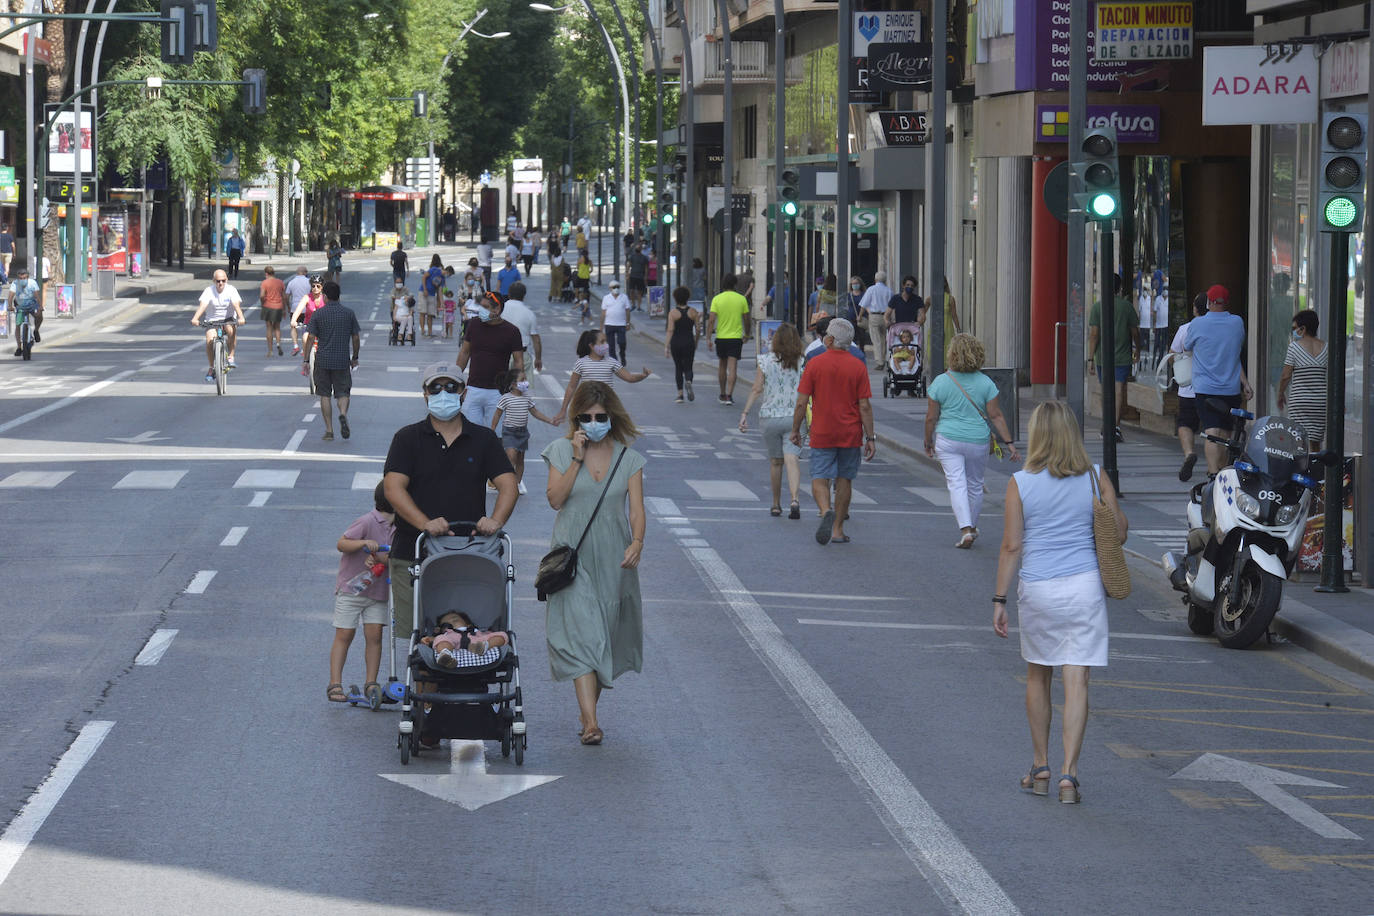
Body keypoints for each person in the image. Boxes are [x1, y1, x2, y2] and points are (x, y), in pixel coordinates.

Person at [993, 401, 1127, 805]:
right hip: (1085, 587)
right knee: (1077, 679)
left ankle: (1040, 765)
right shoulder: (1095, 478)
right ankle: (1069, 773)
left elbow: (1012, 545)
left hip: (1039, 589)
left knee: (1038, 676)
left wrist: (999, 599)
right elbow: (1118, 533)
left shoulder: (1020, 482)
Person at [541, 381, 646, 746]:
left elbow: (636, 509)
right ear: (576, 418)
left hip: (614, 557)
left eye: (600, 417)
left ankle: (587, 713)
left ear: (611, 417)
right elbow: (555, 499)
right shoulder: (559, 450)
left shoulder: (627, 457)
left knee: (604, 636)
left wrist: (637, 542)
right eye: (585, 417)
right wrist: (576, 458)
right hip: (572, 556)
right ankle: (590, 722)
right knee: (585, 633)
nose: (593, 422)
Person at [383, 362, 518, 636]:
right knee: (420, 644)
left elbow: (508, 485)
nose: (442, 393)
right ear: (425, 394)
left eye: (450, 387)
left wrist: (495, 521)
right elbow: (393, 488)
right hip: (414, 553)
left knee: (473, 632)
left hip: (469, 556)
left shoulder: (484, 439)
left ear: (463, 393)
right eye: (435, 387)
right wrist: (425, 523)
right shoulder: (407, 438)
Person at [924, 333, 1021, 548]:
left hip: (948, 438)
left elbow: (931, 417)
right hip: (977, 439)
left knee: (956, 483)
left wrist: (927, 440)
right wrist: (1010, 443)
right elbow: (996, 415)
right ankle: (972, 526)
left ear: (952, 354)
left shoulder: (941, 381)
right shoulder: (985, 382)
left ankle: (966, 529)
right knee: (975, 485)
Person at [790, 319, 874, 545]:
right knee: (845, 478)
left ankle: (826, 509)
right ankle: (837, 529)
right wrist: (871, 437)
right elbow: (864, 405)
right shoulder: (858, 366)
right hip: (850, 433)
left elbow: (801, 403)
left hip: (822, 431)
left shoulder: (815, 364)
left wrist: (796, 430)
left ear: (829, 340)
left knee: (819, 476)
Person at [328, 482, 396, 705]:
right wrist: (363, 543)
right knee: (344, 634)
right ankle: (335, 682)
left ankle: (371, 682)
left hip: (378, 591)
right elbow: (342, 543)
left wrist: (378, 558)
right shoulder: (368, 521)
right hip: (352, 589)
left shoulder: (400, 528)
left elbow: (394, 557)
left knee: (374, 635)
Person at [1183, 284, 1253, 475]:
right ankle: (1221, 471)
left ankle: (1213, 473)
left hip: (1205, 388)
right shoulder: (1237, 322)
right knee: (1227, 433)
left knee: (1212, 432)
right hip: (1230, 389)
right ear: (1227, 302)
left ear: (1209, 302)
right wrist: (1245, 383)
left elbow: (1187, 346)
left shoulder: (1198, 324)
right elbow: (1235, 354)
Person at [740, 322, 806, 519]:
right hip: (795, 416)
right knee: (792, 458)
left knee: (776, 463)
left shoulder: (765, 361)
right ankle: (795, 499)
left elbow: (757, 389)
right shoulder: (803, 362)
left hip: (770, 417)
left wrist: (745, 413)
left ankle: (776, 504)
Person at [456, 290, 525, 426]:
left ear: (497, 309)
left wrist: (517, 388)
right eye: (480, 306)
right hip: (473, 390)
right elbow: (464, 352)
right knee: (470, 434)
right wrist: (456, 380)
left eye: (485, 307)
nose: (481, 310)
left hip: (498, 393)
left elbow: (518, 361)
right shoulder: (473, 325)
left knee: (494, 436)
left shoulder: (512, 331)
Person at [554, 329, 651, 423]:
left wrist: (642, 376)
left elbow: (629, 378)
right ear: (592, 346)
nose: (606, 345)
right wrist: (563, 410)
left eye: (606, 342)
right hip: (587, 405)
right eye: (602, 342)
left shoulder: (611, 362)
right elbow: (571, 387)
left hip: (607, 405)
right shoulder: (581, 363)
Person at [1087, 274, 1139, 444]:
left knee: (1105, 391)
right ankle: (1115, 426)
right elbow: (1135, 332)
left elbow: (1094, 335)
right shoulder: (1127, 307)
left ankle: (1106, 424)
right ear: (1119, 288)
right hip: (1123, 356)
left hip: (1102, 357)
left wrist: (1090, 359)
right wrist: (1137, 349)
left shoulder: (1097, 307)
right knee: (1118, 391)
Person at [306, 281, 361, 441]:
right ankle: (342, 414)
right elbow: (356, 337)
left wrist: (305, 358)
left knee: (324, 395)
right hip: (342, 360)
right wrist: (355, 357)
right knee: (343, 392)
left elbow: (310, 337)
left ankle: (329, 430)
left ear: (325, 296)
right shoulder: (348, 313)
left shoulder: (318, 314)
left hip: (322, 359)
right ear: (339, 296)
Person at [492, 370, 556, 496]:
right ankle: (507, 485)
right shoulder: (506, 398)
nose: (525, 382)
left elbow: (535, 412)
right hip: (509, 432)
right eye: (522, 380)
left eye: (525, 379)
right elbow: (497, 414)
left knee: (520, 460)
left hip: (522, 432)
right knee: (511, 457)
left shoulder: (526, 397)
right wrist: (492, 430)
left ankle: (516, 484)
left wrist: (550, 420)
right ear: (513, 384)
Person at [1169, 294, 1208, 481]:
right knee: (1213, 427)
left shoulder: (1185, 329)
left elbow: (1172, 355)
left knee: (1185, 424)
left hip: (1188, 388)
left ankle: (1189, 453)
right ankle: (1214, 465)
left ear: (1195, 308)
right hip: (1211, 387)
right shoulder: (1215, 329)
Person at [1277, 308, 1327, 451]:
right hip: (1320, 405)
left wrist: (1280, 394)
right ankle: (1315, 470)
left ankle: (1301, 470)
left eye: (1294, 328)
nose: (1293, 331)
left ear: (1303, 329)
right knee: (1315, 443)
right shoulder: (1327, 348)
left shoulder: (1294, 348)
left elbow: (1286, 376)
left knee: (1298, 442)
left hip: (1300, 403)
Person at [190, 269, 246, 380]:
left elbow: (236, 305)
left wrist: (241, 317)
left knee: (231, 330)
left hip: (228, 319)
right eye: (218, 281)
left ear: (227, 280)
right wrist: (195, 318)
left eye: (223, 280)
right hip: (212, 320)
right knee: (209, 341)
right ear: (213, 281)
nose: (220, 283)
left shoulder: (231, 290)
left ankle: (230, 356)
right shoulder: (208, 291)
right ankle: (211, 368)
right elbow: (203, 305)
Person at [707, 273, 751, 405]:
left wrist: (708, 337)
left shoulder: (717, 299)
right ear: (735, 284)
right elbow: (747, 319)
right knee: (733, 368)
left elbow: (711, 320)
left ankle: (722, 393)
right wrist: (747, 334)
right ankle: (729, 396)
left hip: (721, 337)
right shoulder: (741, 299)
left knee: (722, 365)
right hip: (736, 337)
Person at [422, 609, 509, 668]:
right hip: (453, 642)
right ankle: (445, 655)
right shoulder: (447, 634)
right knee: (441, 640)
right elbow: (434, 640)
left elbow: (491, 635)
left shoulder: (476, 631)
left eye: (455, 620)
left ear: (468, 624)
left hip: (477, 641)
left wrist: (492, 639)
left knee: (501, 635)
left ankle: (484, 646)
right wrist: (428, 639)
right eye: (446, 624)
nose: (451, 623)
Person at [664, 286, 700, 403]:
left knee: (678, 367)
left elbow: (670, 330)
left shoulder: (673, 313)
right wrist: (696, 341)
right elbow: (698, 329)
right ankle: (688, 381)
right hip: (689, 341)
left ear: (675, 298)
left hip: (676, 342)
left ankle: (680, 395)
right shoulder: (693, 312)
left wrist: (666, 346)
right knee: (688, 366)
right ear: (687, 298)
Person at [500, 280, 543, 372]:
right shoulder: (529, 314)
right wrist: (538, 359)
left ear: (509, 294)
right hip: (522, 355)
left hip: (501, 353)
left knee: (500, 384)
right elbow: (536, 340)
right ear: (524, 296)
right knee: (521, 385)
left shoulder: (500, 309)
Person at [291, 276, 327, 370]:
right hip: (309, 325)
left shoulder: (325, 298)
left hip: (323, 326)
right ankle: (306, 361)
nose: (315, 288)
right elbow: (298, 309)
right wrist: (293, 320)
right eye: (313, 286)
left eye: (318, 286)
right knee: (305, 337)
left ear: (322, 287)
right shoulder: (307, 297)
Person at [858, 270, 893, 368]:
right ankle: (885, 358)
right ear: (885, 280)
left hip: (874, 316)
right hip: (886, 316)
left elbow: (864, 304)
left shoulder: (871, 289)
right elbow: (892, 306)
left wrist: (860, 316)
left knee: (876, 339)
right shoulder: (889, 291)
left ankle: (880, 362)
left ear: (875, 279)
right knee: (884, 339)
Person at [6, 264, 44, 354]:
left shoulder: (32, 283)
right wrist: (10, 306)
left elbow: (37, 296)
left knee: (39, 316)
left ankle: (36, 330)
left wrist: (40, 306)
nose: (22, 280)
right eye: (20, 278)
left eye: (24, 278)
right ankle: (19, 347)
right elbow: (11, 295)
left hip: (32, 304)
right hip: (20, 305)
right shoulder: (15, 283)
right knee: (18, 325)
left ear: (27, 277)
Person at [600, 279, 632, 364]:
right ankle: (614, 361)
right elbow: (603, 312)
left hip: (621, 324)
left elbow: (627, 310)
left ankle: (622, 354)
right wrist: (601, 326)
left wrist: (628, 323)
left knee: (622, 342)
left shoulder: (624, 297)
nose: (616, 288)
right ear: (610, 288)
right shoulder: (606, 298)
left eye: (617, 287)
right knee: (611, 345)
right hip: (609, 324)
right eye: (614, 287)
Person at [258, 265, 287, 356]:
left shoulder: (264, 283)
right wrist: (284, 309)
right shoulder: (280, 282)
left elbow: (262, 295)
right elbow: (284, 296)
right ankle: (278, 344)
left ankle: (270, 350)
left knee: (269, 328)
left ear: (266, 273)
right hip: (278, 306)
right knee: (277, 328)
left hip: (268, 306)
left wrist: (263, 303)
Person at [284, 266, 312, 354]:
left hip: (295, 307)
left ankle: (295, 346)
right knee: (306, 327)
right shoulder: (309, 282)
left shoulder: (291, 282)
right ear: (305, 272)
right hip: (306, 308)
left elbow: (287, 296)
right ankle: (304, 349)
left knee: (293, 326)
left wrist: (288, 306)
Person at [419, 254, 445, 338]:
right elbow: (424, 277)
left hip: (432, 294)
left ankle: (429, 332)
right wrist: (425, 289)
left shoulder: (443, 278)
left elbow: (440, 291)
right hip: (423, 292)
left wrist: (441, 302)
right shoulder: (433, 270)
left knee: (430, 314)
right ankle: (423, 330)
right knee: (423, 312)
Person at [626, 241, 649, 312]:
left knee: (639, 292)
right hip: (633, 275)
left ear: (641, 249)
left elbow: (646, 268)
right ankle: (633, 304)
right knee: (632, 291)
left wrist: (645, 276)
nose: (638, 248)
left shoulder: (644, 258)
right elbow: (628, 265)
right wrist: (627, 273)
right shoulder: (632, 256)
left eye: (639, 247)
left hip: (640, 276)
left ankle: (638, 306)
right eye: (637, 247)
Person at [573, 252, 593, 321]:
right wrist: (588, 272)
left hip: (580, 276)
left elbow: (578, 267)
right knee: (586, 289)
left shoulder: (580, 260)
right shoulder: (589, 261)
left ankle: (576, 298)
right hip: (586, 277)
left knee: (577, 287)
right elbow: (591, 270)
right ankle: (585, 299)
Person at [440, 267, 458, 339]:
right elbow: (440, 289)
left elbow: (444, 287)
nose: (449, 276)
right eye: (449, 274)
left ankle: (450, 334)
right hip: (446, 313)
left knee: (450, 324)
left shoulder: (443, 278)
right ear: (447, 271)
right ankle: (446, 333)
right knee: (446, 324)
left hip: (450, 314)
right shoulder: (440, 275)